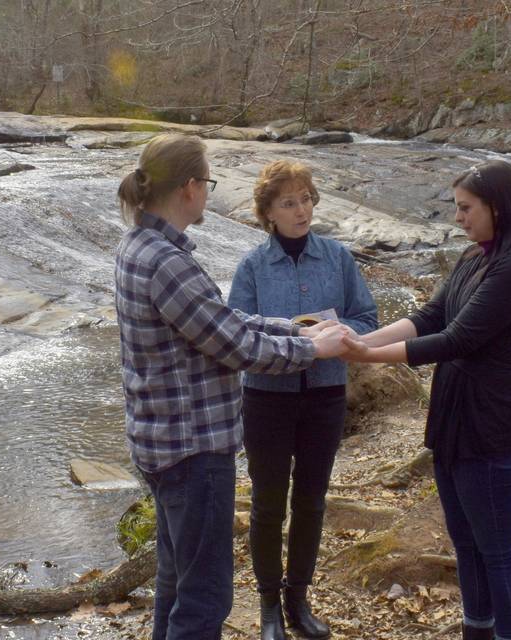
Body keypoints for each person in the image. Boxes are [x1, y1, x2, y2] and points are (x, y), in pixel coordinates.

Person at [114, 134, 353, 640]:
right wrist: (313, 348)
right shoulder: (167, 261)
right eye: (208, 183)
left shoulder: (139, 245)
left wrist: (296, 331)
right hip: (192, 450)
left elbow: (223, 319)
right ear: (190, 188)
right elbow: (237, 347)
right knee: (205, 598)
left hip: (161, 442)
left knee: (176, 583)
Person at [338, 160, 511, 640]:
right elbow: (429, 316)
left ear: (497, 208)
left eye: (465, 208)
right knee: (465, 542)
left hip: (493, 423)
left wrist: (368, 356)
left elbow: (458, 339)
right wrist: (360, 344)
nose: (458, 218)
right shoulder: (475, 257)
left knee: (498, 550)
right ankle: (475, 630)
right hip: (455, 420)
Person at [227, 160, 378, 640]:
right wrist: (295, 344)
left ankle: (299, 600)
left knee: (312, 501)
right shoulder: (251, 266)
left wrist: (345, 333)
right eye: (289, 202)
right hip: (267, 401)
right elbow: (236, 337)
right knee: (270, 503)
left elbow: (369, 320)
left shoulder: (337, 258)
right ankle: (268, 605)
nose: (301, 209)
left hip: (327, 395)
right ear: (268, 212)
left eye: (307, 198)